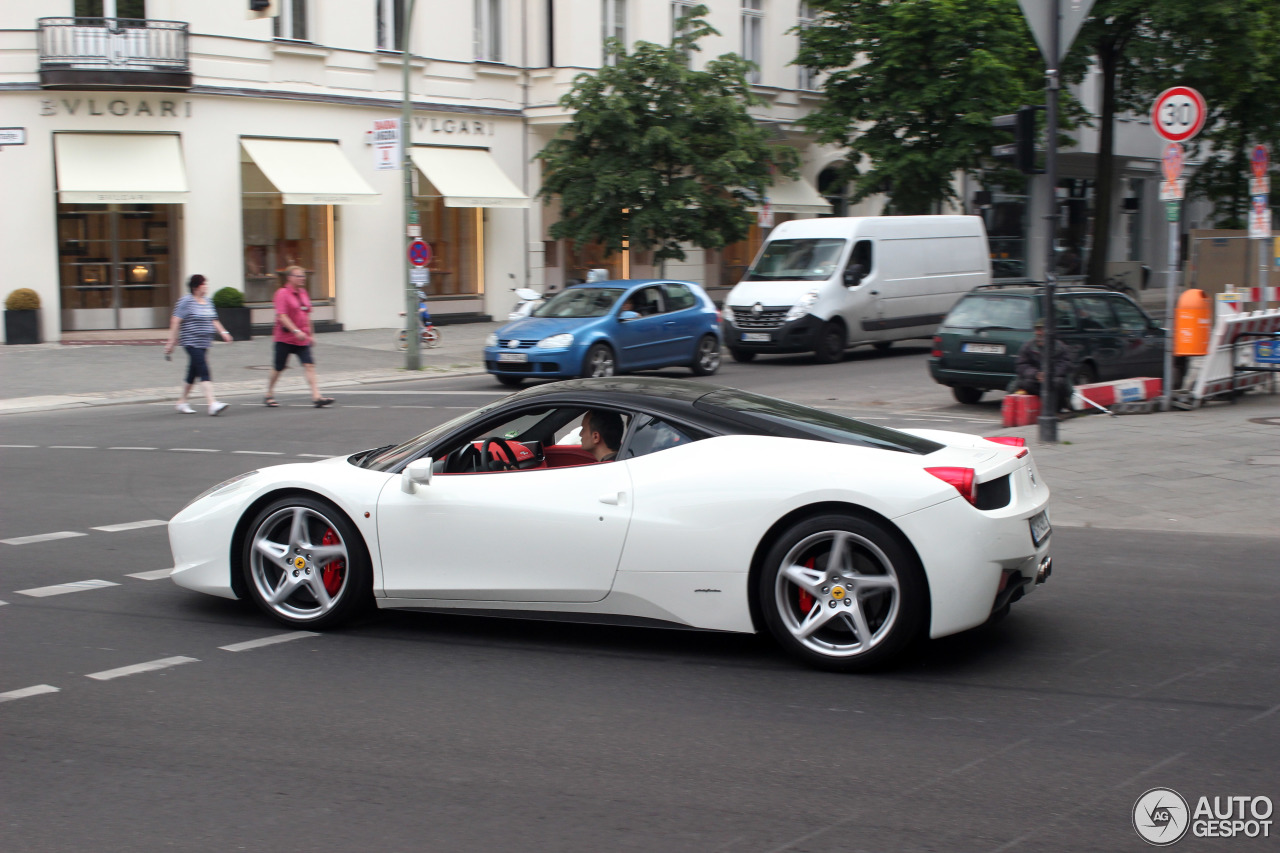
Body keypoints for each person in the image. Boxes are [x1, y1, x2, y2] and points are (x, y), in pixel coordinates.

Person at [264, 265, 334, 408]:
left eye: (303, 276)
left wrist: (311, 335)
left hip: (302, 340)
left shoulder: (303, 293)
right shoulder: (282, 293)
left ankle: (316, 397)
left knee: (309, 365)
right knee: (279, 367)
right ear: (290, 278)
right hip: (285, 338)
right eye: (299, 276)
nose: (303, 278)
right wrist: (296, 331)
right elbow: (282, 316)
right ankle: (269, 394)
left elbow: (307, 315)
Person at [164, 274, 232, 416]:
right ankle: (212, 403)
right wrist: (171, 341)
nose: (206, 286)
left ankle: (182, 401)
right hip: (190, 341)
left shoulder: (208, 301)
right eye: (203, 284)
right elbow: (175, 321)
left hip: (204, 342)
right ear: (195, 287)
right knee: (203, 369)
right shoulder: (186, 301)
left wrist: (224, 332)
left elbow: (214, 320)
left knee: (193, 372)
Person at [1011, 319, 1074, 414]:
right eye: (1037, 330)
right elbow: (1021, 365)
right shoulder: (1028, 347)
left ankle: (1056, 409)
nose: (1038, 333)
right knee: (1023, 383)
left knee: (1058, 383)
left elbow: (1065, 364)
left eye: (1041, 329)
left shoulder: (1059, 347)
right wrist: (1036, 374)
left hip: (1053, 378)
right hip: (1035, 379)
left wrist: (1050, 374)